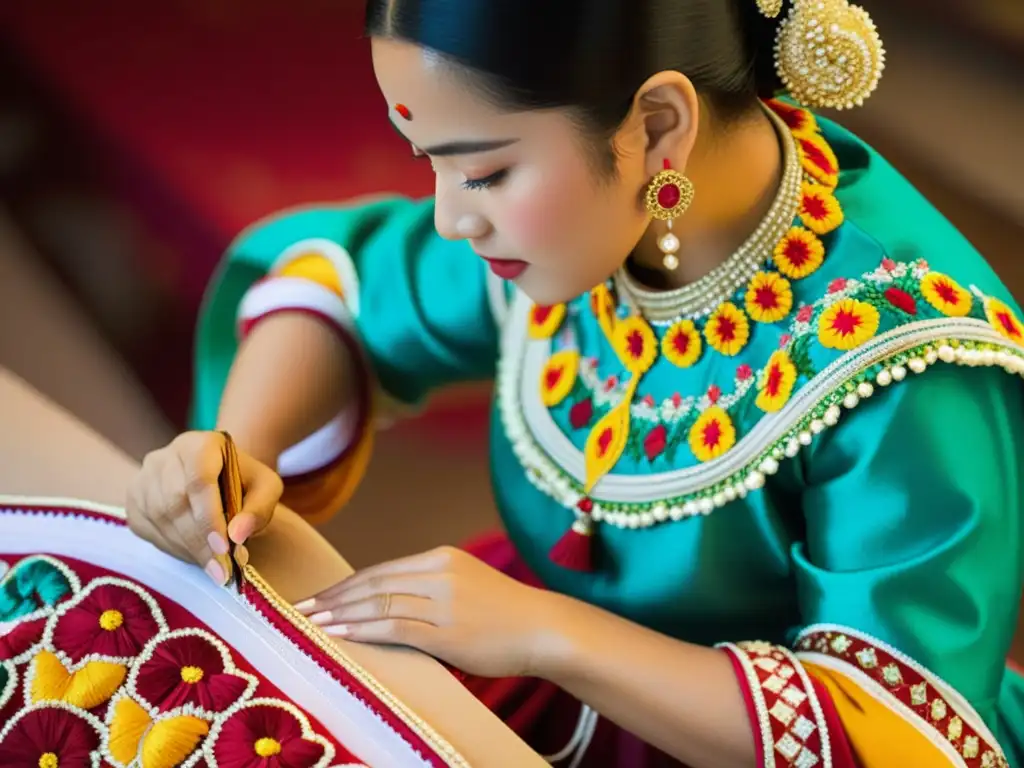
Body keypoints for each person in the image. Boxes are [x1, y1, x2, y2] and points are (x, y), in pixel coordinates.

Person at [125, 0, 1024, 765]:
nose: (447, 218)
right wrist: (233, 454)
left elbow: (895, 724)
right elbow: (345, 295)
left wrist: (546, 634)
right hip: (519, 654)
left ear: (659, 127)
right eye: (426, 162)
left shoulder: (906, 356)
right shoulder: (598, 214)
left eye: (483, 170)